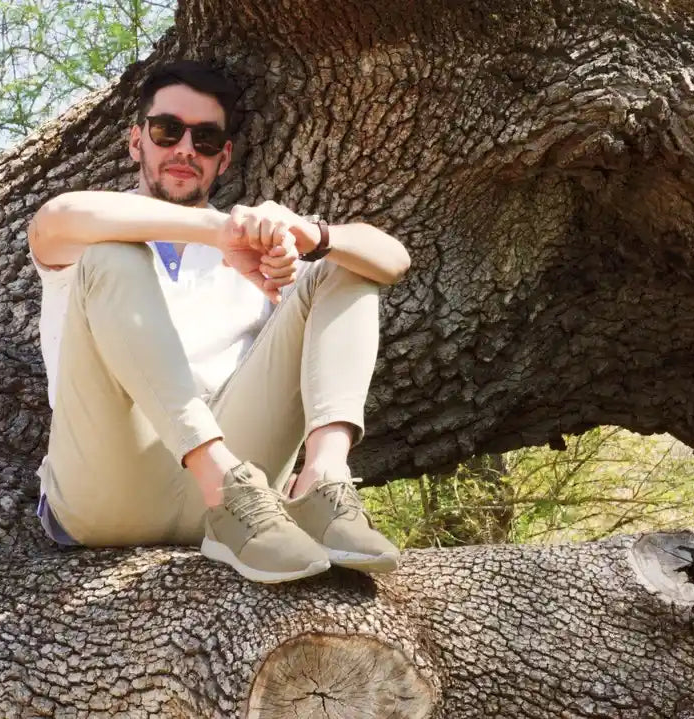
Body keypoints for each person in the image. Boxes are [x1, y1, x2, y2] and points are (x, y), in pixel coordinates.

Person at [26, 60, 411, 584]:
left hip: (252, 505)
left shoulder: (263, 251)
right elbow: (53, 221)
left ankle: (322, 483)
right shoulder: (98, 227)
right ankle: (218, 479)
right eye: (167, 131)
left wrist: (311, 235)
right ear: (136, 141)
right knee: (111, 254)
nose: (185, 148)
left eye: (205, 139)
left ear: (223, 156)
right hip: (108, 487)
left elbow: (391, 260)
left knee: (347, 265)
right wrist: (222, 229)